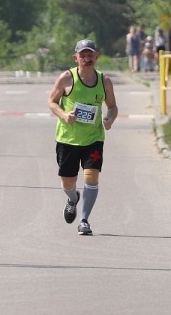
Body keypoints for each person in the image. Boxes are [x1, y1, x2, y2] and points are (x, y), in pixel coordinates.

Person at [47, 39, 118, 235]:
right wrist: (64, 115)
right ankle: (72, 199)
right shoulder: (66, 78)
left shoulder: (104, 81)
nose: (87, 58)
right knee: (67, 181)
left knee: (91, 176)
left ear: (97, 56)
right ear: (76, 57)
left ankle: (84, 220)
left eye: (90, 55)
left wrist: (110, 119)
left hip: (93, 138)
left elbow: (112, 106)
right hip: (67, 139)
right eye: (83, 55)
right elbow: (52, 102)